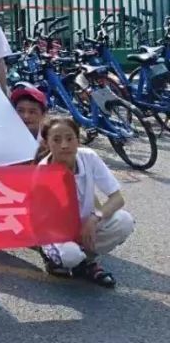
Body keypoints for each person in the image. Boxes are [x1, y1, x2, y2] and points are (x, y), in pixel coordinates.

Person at [38, 115, 135, 286]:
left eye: (70, 138)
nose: (64, 145)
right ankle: (59, 257)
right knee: (70, 256)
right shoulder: (42, 173)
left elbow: (117, 198)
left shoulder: (89, 157)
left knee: (124, 221)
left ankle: (86, 260)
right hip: (58, 230)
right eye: (56, 140)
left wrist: (94, 218)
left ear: (78, 140)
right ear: (46, 143)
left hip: (86, 222)